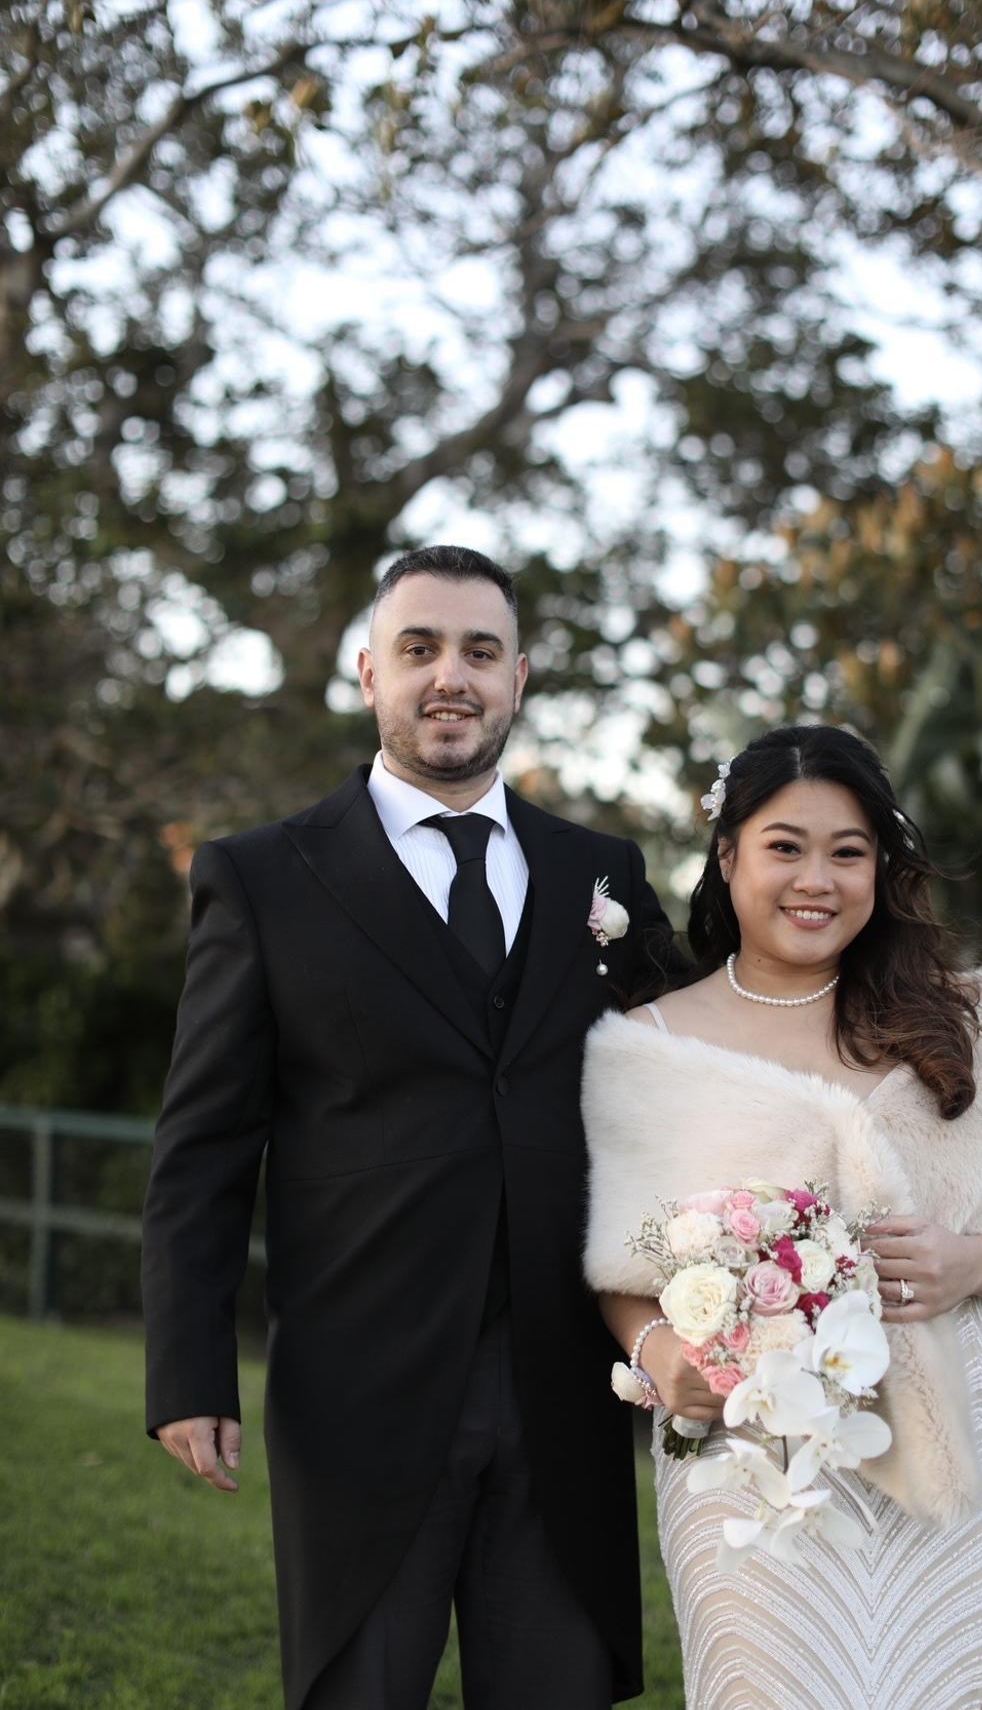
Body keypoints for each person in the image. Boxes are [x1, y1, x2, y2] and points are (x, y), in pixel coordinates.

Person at [142, 545, 675, 1710]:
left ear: (519, 676)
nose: (451, 675)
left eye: (480, 650)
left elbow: (691, 1070)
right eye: (421, 648)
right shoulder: (263, 877)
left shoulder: (604, 871)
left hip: (570, 1384)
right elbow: (205, 1144)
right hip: (360, 1390)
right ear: (368, 670)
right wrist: (190, 1366)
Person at [580, 724, 982, 1710]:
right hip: (755, 1476)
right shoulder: (645, 1045)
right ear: (728, 852)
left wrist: (968, 1263)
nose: (815, 877)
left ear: (883, 866)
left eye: (848, 850)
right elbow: (621, 1261)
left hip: (949, 1460)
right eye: (786, 844)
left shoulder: (967, 1017)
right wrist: (657, 1352)